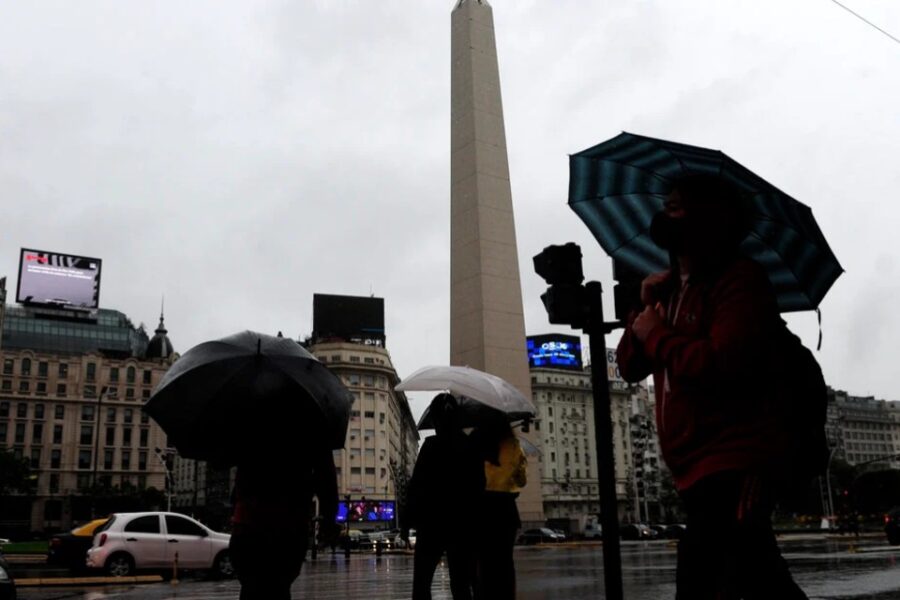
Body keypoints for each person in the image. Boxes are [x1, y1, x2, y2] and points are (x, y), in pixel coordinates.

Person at [616, 173, 808, 599]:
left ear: (708, 219)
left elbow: (723, 365)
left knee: (711, 579)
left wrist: (656, 336)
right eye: (668, 202)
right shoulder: (672, 290)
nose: (667, 209)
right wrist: (642, 309)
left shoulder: (740, 282)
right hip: (695, 468)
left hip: (734, 460)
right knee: (757, 577)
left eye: (678, 204)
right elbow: (628, 367)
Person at [229, 403, 340, 600]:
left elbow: (229, 464)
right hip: (288, 526)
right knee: (279, 588)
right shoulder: (311, 419)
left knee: (250, 588)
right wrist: (328, 520)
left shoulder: (249, 413)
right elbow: (327, 478)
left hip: (248, 525)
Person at [404, 394, 484, 600]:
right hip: (463, 525)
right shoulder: (470, 446)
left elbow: (416, 486)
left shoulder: (430, 446)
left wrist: (406, 523)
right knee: (461, 584)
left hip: (431, 525)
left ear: (436, 419)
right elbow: (480, 486)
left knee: (422, 584)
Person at [471, 412, 527, 600]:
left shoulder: (475, 440)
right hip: (506, 511)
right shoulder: (514, 445)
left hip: (482, 510)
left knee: (483, 562)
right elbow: (521, 481)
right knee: (505, 563)